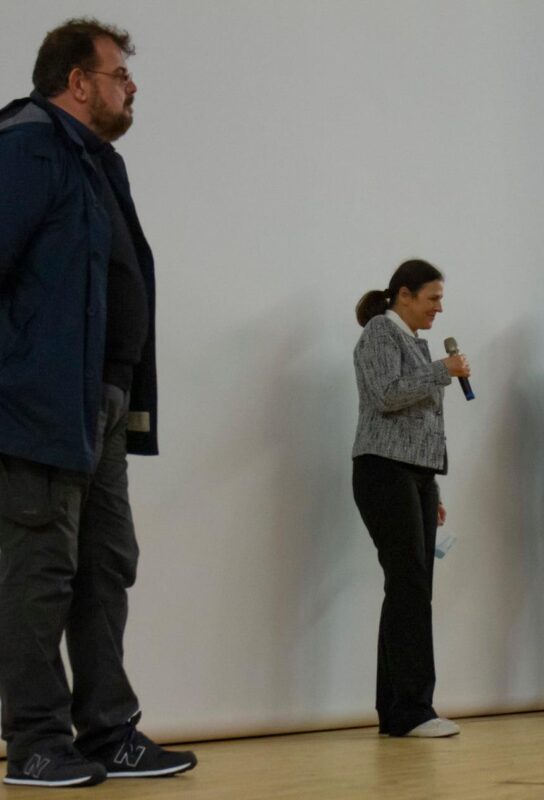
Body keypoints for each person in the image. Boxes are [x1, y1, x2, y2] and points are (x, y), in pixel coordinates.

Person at [0, 19, 196, 787]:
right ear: (77, 82)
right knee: (39, 570)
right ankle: (36, 740)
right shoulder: (25, 146)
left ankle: (109, 731)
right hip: (39, 406)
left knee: (105, 566)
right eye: (119, 75)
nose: (131, 87)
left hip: (103, 404)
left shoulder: (97, 162)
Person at [351, 259, 470, 738]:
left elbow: (419, 421)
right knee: (410, 587)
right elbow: (385, 395)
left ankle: (399, 709)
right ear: (404, 295)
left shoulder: (414, 344)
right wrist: (442, 370)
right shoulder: (381, 332)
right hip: (382, 470)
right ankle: (411, 710)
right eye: (432, 298)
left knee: (410, 588)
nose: (439, 308)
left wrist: (431, 486)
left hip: (414, 476)